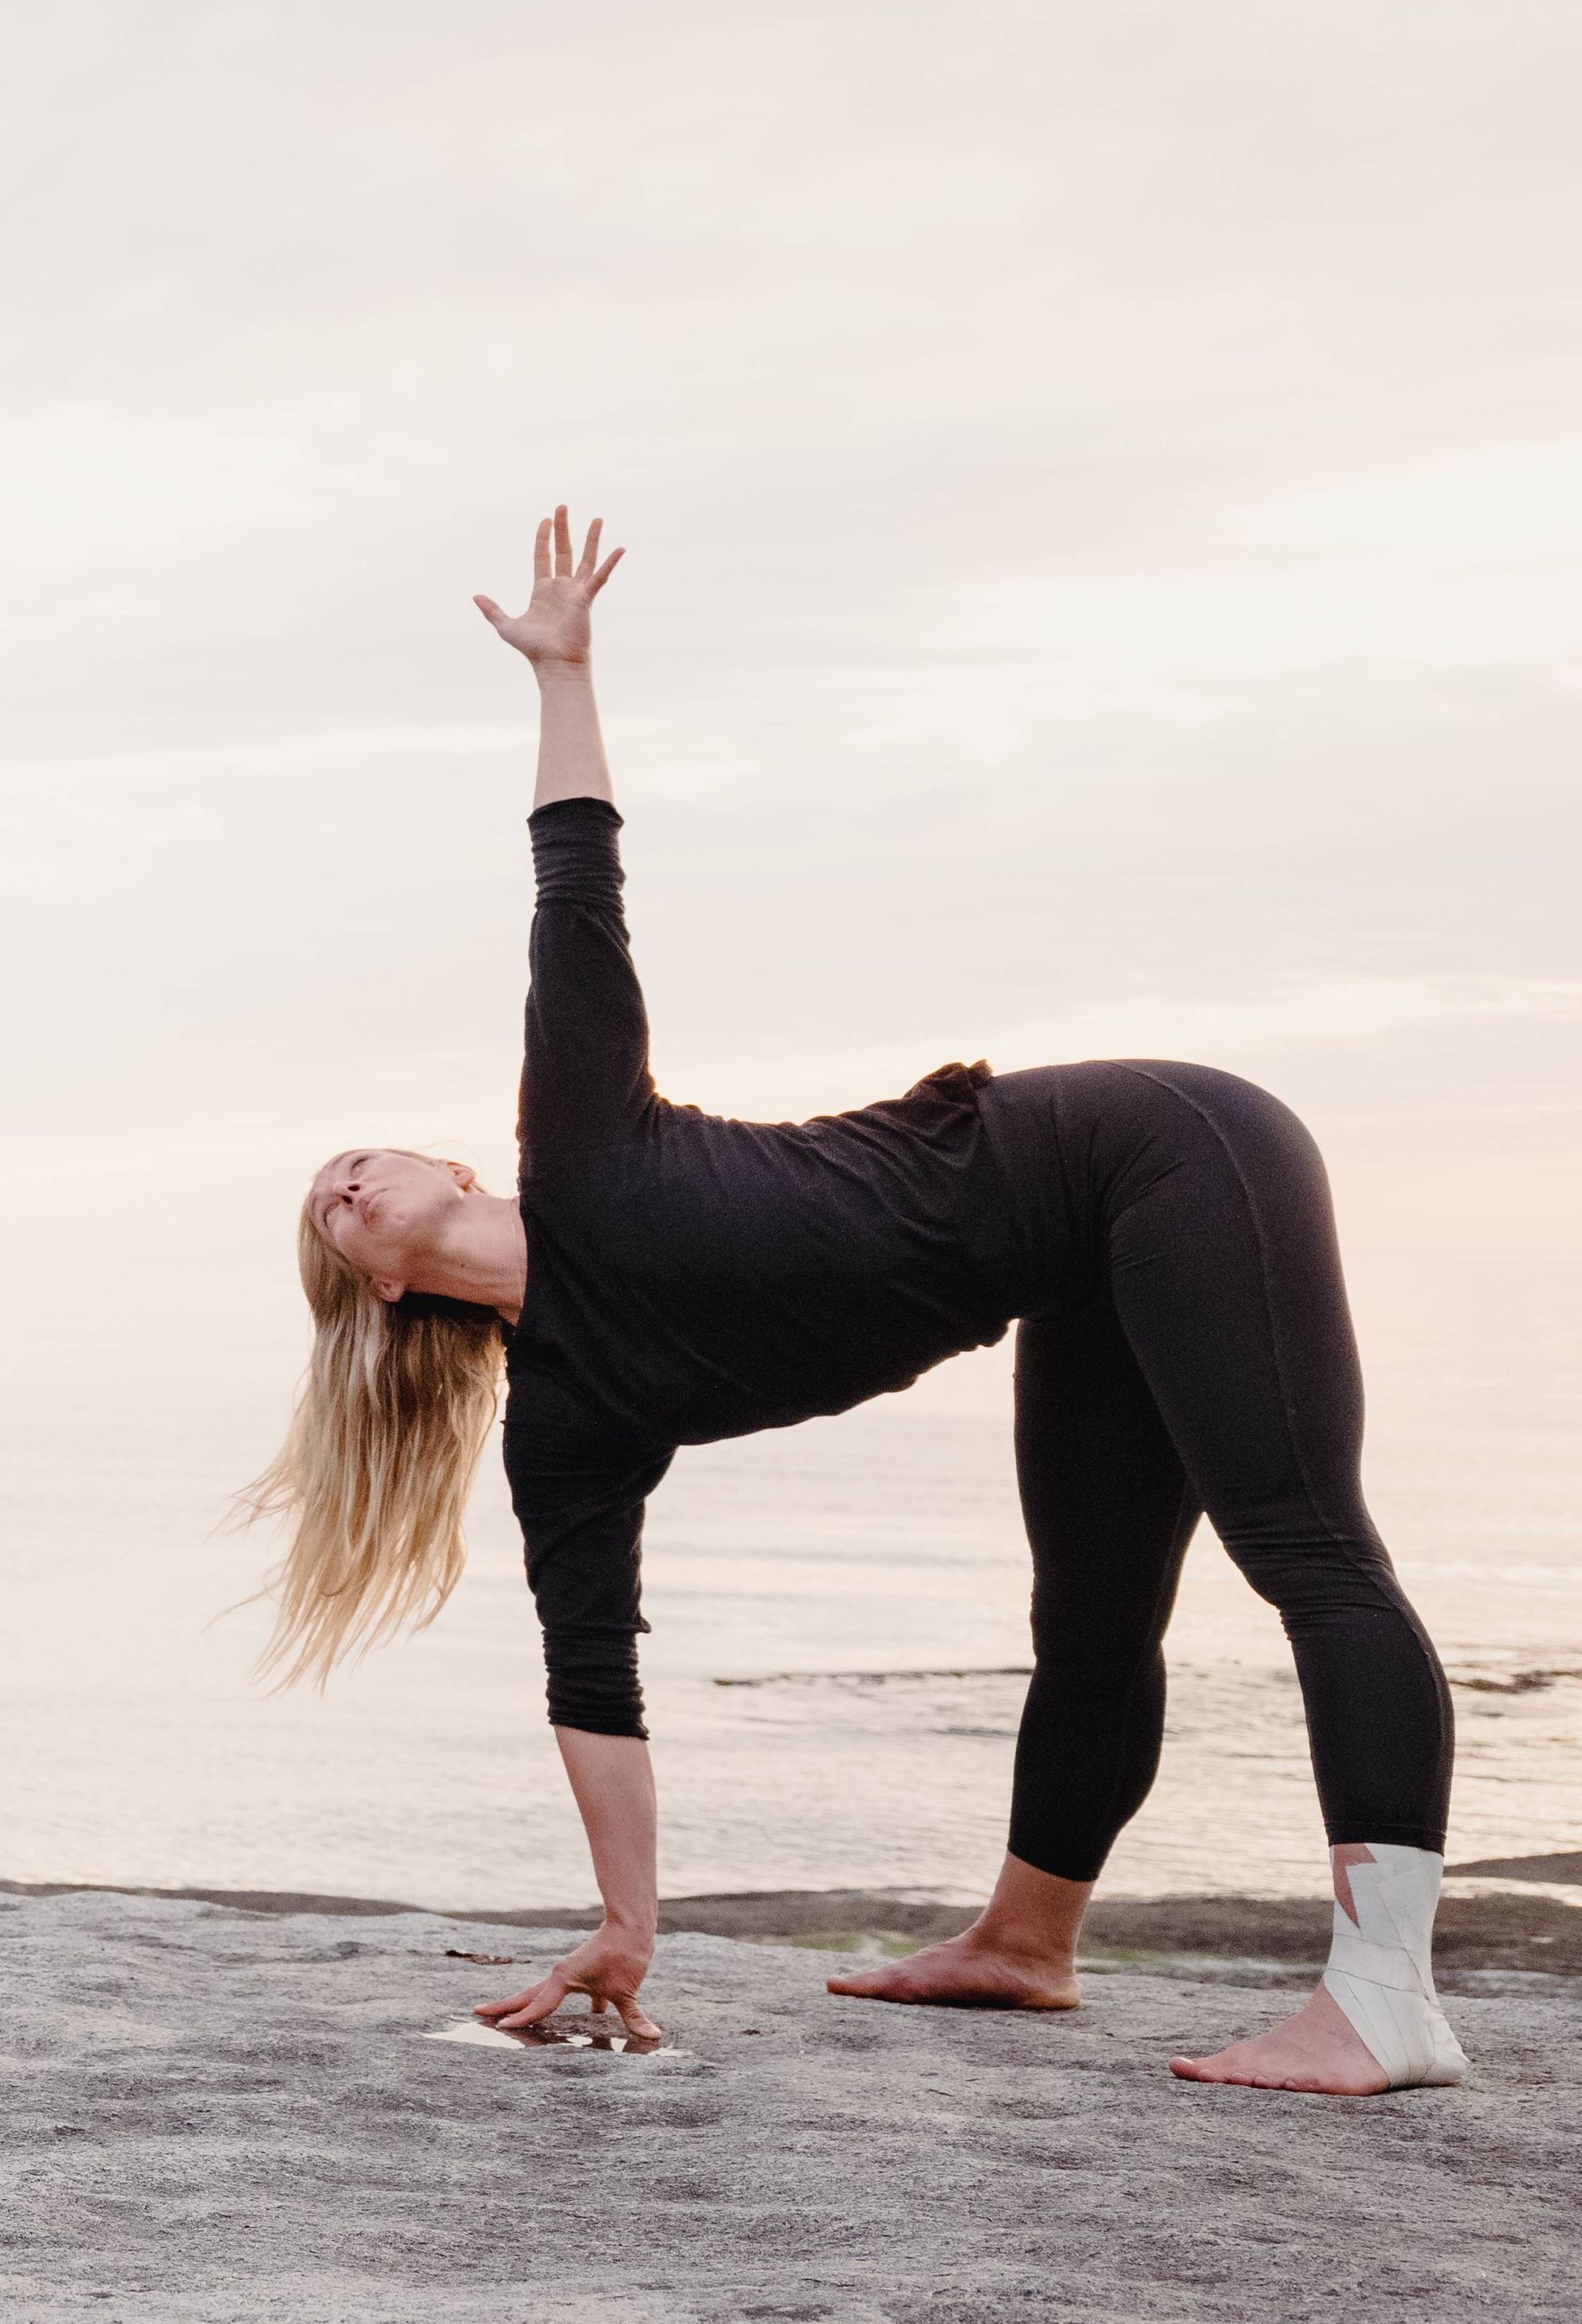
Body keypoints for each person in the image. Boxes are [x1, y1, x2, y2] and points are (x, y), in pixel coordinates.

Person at [245, 514, 1470, 2098]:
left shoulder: (585, 1136)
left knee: (1299, 1542)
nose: (343, 1183)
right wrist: (628, 1926)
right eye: (327, 1213)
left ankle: (1382, 1997)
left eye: (354, 1159)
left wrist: (562, 673)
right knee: (1090, 1616)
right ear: (383, 1286)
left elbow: (575, 880)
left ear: (438, 1163)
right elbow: (591, 1681)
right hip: (1065, 1269)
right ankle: (1028, 1943)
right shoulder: (569, 1416)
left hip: (1163, 1150)